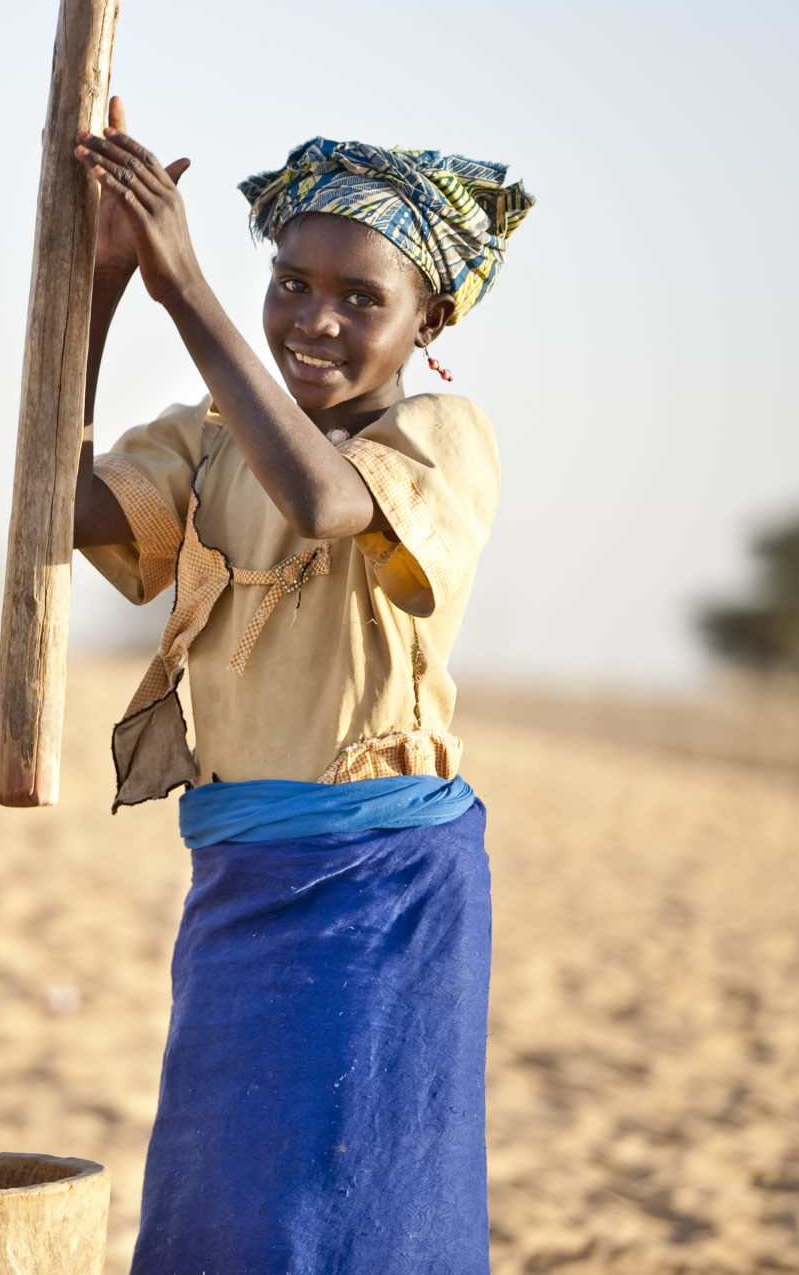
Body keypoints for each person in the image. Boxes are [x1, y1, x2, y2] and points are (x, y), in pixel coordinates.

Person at [70, 99, 532, 1273]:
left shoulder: (441, 436)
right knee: (223, 1203)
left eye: (358, 297)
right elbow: (62, 503)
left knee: (353, 1211)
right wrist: (103, 286)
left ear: (427, 316)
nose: (312, 320)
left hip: (379, 889)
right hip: (236, 877)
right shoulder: (213, 435)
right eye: (288, 283)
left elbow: (326, 504)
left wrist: (184, 293)